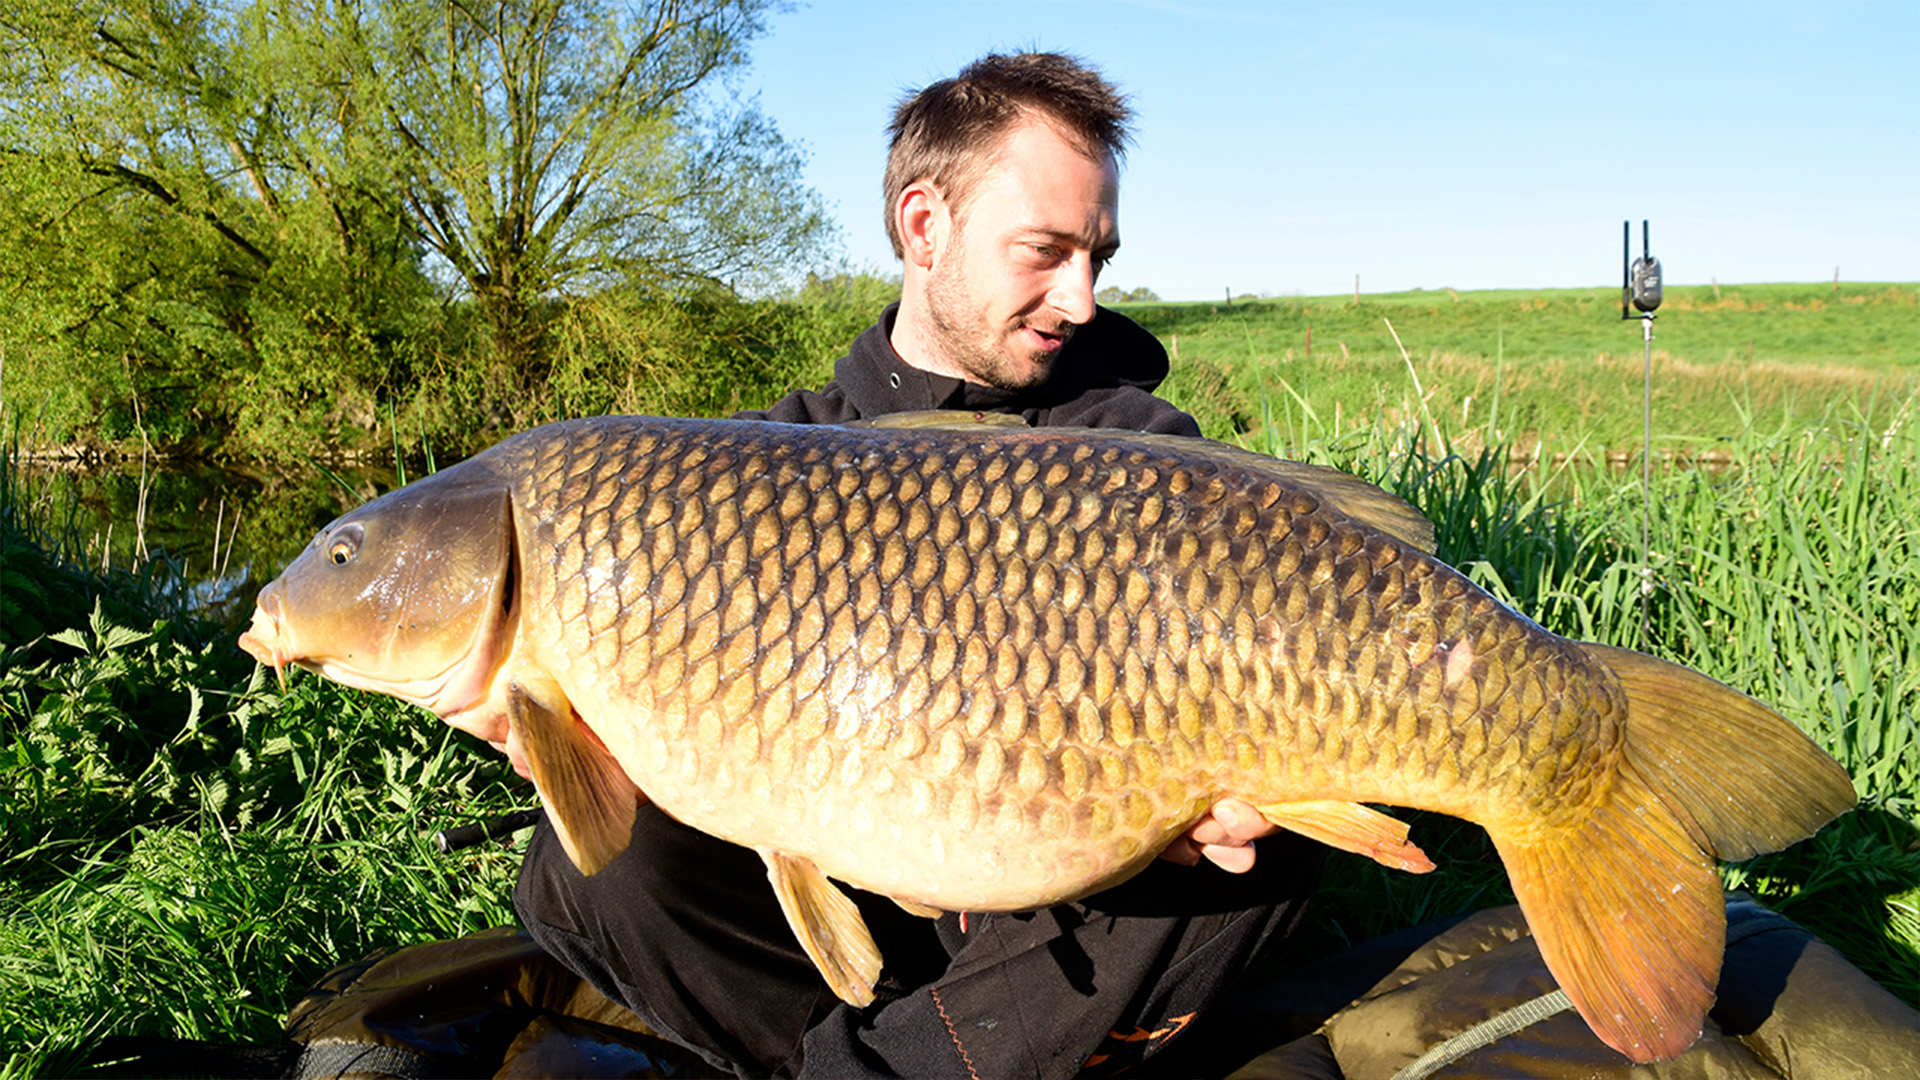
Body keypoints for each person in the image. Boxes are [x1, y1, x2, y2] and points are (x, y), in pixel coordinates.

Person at [514, 52, 1326, 1079]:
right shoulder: (758, 462)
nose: (1080, 299)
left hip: (1061, 912)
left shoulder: (1139, 446)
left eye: (1098, 258)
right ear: (923, 226)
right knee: (592, 865)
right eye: (1045, 251)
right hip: (844, 911)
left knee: (1280, 842)